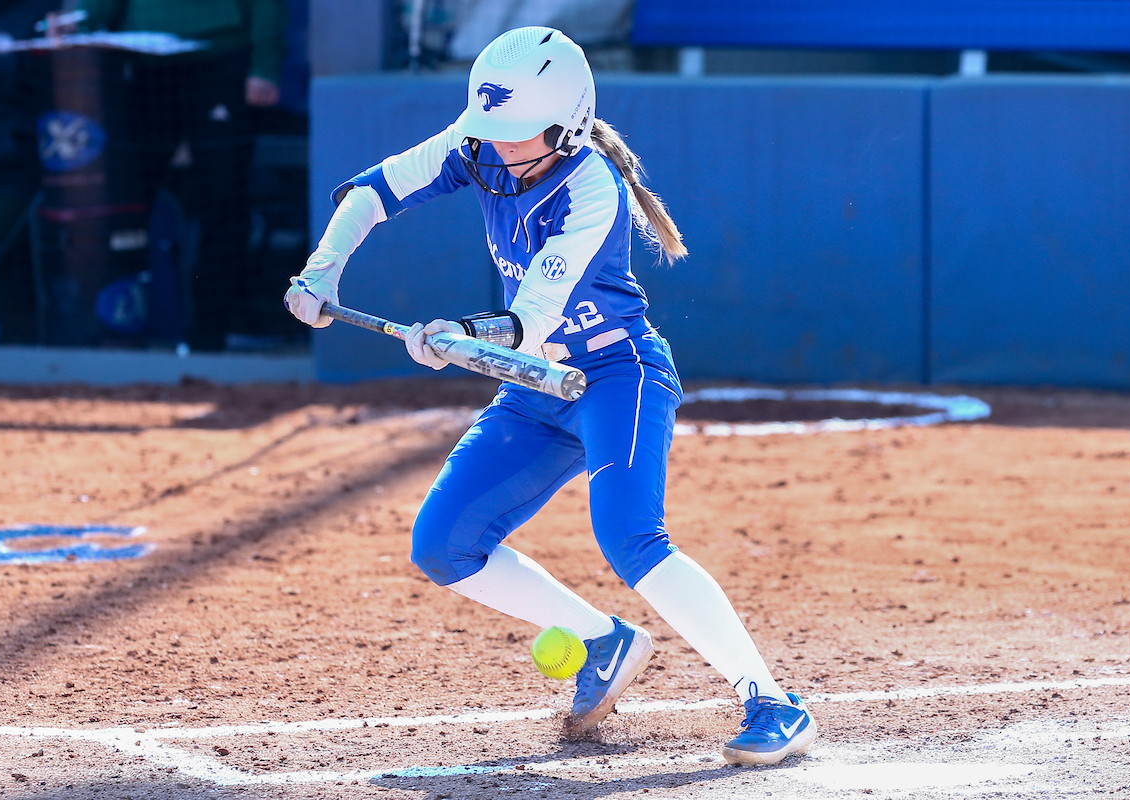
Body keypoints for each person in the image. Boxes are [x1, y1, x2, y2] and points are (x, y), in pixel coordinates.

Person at [284, 26, 817, 766]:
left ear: (565, 127)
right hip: (533, 391)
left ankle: (773, 701)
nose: (496, 148)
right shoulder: (476, 145)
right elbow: (375, 191)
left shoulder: (592, 185)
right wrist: (323, 269)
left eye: (516, 134)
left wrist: (460, 336)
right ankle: (606, 641)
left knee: (632, 540)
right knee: (443, 544)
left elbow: (532, 316)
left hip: (615, 378)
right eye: (490, 130)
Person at [75, 0, 286, 349]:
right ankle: (122, 324)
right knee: (127, 201)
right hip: (141, 57)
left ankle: (213, 332)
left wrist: (265, 62)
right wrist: (82, 25)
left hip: (221, 55)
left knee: (224, 200)